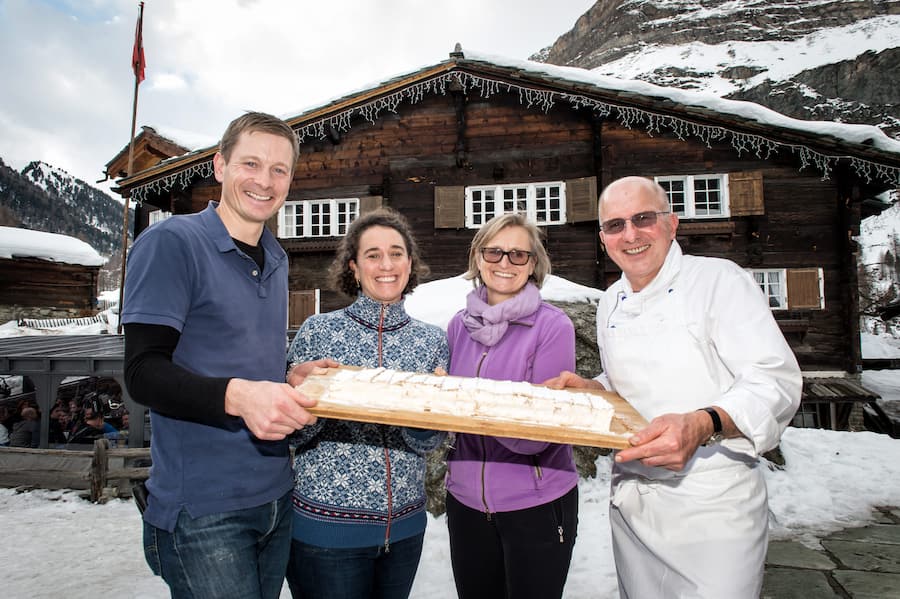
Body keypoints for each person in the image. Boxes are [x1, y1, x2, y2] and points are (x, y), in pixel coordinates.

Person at [545, 176, 802, 598]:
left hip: (715, 505)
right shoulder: (611, 300)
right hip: (634, 499)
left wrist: (704, 423)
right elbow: (634, 376)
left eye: (643, 218)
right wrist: (596, 387)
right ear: (603, 238)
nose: (630, 234)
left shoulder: (720, 281)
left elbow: (774, 381)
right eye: (615, 225)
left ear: (672, 223)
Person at [122, 112, 322, 599]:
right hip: (204, 509)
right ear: (219, 165)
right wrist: (239, 397)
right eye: (250, 163)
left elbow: (238, 362)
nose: (264, 180)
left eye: (279, 169)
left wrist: (288, 376)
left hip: (276, 494)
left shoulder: (275, 258)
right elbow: (142, 372)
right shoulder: (172, 242)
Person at [284, 208, 449, 599]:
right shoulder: (318, 331)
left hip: (405, 531)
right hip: (326, 533)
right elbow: (289, 436)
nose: (386, 264)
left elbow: (428, 443)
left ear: (410, 264)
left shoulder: (432, 341)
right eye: (372, 255)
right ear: (354, 267)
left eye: (396, 252)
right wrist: (307, 405)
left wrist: (429, 415)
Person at [444, 213, 579, 599]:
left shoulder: (553, 327)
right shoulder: (458, 326)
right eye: (495, 252)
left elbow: (538, 432)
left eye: (519, 255)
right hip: (466, 503)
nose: (505, 263)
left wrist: (464, 406)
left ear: (534, 264)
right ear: (478, 258)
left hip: (536, 504)